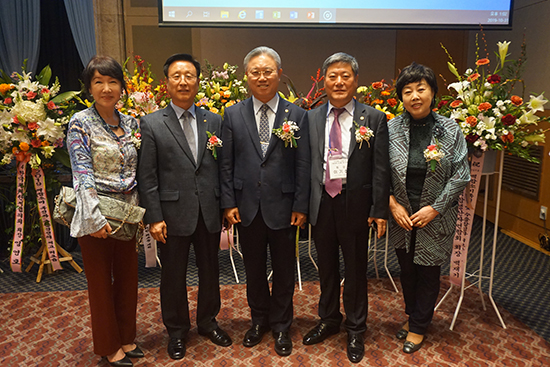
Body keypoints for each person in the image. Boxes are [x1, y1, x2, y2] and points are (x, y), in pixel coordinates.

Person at [137, 53, 232, 360]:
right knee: (173, 277)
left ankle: (207, 321)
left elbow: (223, 168)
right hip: (171, 214)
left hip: (208, 211)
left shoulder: (214, 120)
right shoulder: (152, 123)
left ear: (197, 81)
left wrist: (225, 206)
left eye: (189, 76)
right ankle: (177, 331)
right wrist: (154, 216)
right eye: (176, 76)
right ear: (166, 83)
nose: (183, 81)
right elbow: (147, 175)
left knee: (210, 271)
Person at [219, 46, 310, 357]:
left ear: (279, 74)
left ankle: (282, 325)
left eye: (267, 71)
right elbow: (226, 164)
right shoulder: (231, 114)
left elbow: (303, 165)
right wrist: (229, 203)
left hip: (285, 208)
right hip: (246, 207)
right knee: (254, 269)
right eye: (255, 72)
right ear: (247, 76)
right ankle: (259, 320)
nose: (262, 77)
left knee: (285, 270)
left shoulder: (297, 114)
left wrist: (301, 205)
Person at [304, 52, 390, 363]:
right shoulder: (311, 117)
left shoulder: (375, 118)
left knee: (355, 269)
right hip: (322, 203)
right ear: (323, 80)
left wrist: (379, 209)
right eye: (332, 76)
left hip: (356, 205)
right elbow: (305, 165)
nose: (339, 82)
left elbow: (381, 169)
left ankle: (355, 327)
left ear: (356, 81)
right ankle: (328, 319)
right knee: (325, 266)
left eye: (345, 76)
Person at [388, 62, 470, 353]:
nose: (415, 96)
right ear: (401, 97)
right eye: (407, 91)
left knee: (428, 272)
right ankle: (414, 316)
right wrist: (393, 204)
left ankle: (419, 325)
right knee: (407, 270)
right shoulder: (391, 128)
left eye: (421, 89)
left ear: (433, 92)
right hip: (401, 216)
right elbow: (378, 172)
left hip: (435, 216)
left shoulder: (449, 129)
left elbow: (461, 174)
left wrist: (434, 208)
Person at [67, 55, 143, 367]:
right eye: (99, 82)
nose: (106, 88)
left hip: (127, 214)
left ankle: (126, 337)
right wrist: (93, 217)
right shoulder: (80, 123)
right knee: (100, 286)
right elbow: (81, 174)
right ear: (89, 87)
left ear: (122, 87)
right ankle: (108, 347)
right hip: (96, 215)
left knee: (128, 280)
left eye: (112, 81)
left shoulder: (131, 123)